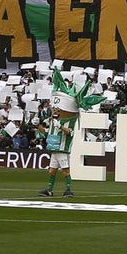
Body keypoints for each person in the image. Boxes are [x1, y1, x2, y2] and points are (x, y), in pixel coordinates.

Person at [37, 68, 104, 197]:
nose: (55, 111)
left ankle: (68, 189)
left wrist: (60, 126)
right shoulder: (52, 121)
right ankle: (49, 190)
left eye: (57, 109)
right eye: (54, 109)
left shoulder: (68, 122)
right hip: (54, 149)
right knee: (52, 171)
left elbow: (69, 133)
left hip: (62, 150)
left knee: (65, 171)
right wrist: (36, 125)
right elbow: (46, 133)